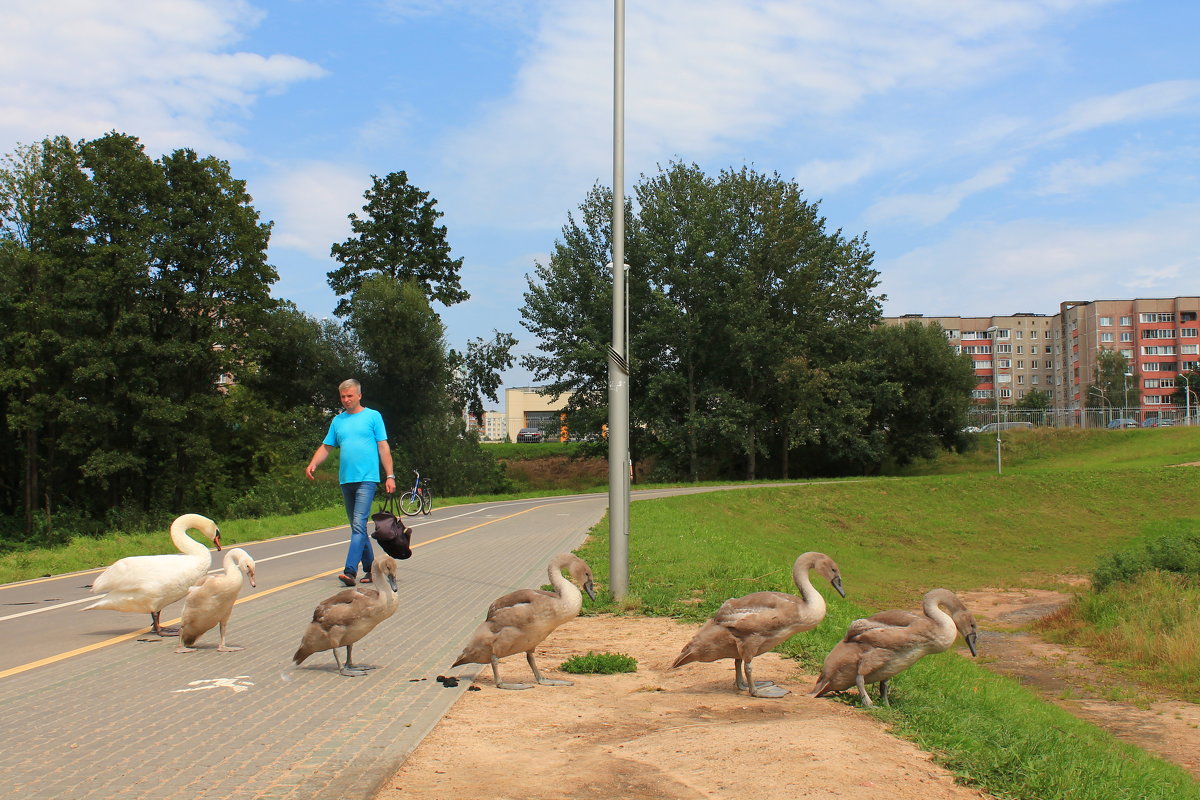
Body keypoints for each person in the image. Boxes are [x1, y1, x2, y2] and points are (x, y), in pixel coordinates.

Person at [306, 379, 397, 586]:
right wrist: (313, 463)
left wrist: (390, 475)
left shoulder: (373, 416)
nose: (346, 400)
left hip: (367, 479)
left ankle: (349, 571)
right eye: (343, 397)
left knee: (358, 525)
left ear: (359, 396)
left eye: (350, 396)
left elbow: (383, 447)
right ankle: (370, 570)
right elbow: (326, 447)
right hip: (346, 480)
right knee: (358, 527)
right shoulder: (338, 421)